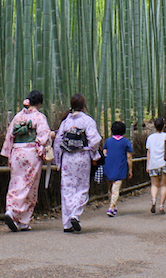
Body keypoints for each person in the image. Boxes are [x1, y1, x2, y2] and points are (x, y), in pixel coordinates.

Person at [0, 90, 52, 232]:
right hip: (31, 153)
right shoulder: (39, 117)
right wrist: (43, 149)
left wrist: (8, 153)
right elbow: (44, 136)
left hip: (17, 152)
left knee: (16, 182)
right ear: (40, 103)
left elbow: (9, 136)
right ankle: (16, 214)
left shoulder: (18, 117)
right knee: (29, 185)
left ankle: (18, 217)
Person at [54, 94, 102, 233]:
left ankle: (67, 223)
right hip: (82, 157)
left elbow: (57, 142)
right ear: (84, 105)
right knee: (81, 187)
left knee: (67, 188)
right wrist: (94, 154)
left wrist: (58, 161)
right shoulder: (88, 121)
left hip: (68, 157)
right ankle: (75, 214)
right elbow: (94, 140)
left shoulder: (65, 122)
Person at [103, 121, 133, 217]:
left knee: (111, 187)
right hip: (119, 168)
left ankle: (113, 205)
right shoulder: (125, 142)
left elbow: (104, 153)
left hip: (108, 167)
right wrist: (130, 169)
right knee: (116, 188)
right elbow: (129, 157)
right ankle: (111, 207)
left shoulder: (108, 141)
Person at [146, 117, 166, 214]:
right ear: (164, 126)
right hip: (165, 163)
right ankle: (161, 206)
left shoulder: (150, 138)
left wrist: (147, 165)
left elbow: (149, 152)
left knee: (154, 185)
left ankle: (153, 200)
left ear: (154, 126)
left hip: (153, 163)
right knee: (164, 185)